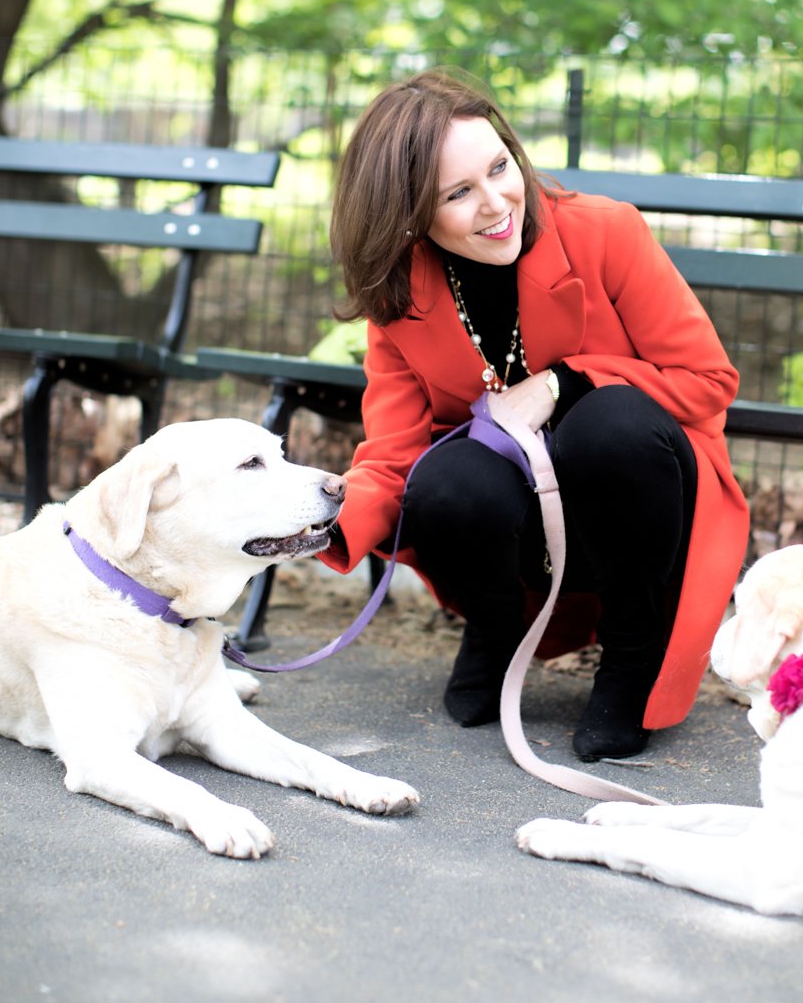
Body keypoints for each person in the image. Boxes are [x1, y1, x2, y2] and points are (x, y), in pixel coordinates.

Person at [318, 68, 750, 761]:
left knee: (607, 426)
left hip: (636, 499)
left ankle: (632, 659)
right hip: (521, 522)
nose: (497, 203)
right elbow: (396, 453)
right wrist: (324, 519)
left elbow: (707, 380)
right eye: (459, 193)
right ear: (409, 215)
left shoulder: (605, 231)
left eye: (500, 167)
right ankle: (496, 628)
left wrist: (566, 382)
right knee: (448, 480)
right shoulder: (399, 294)